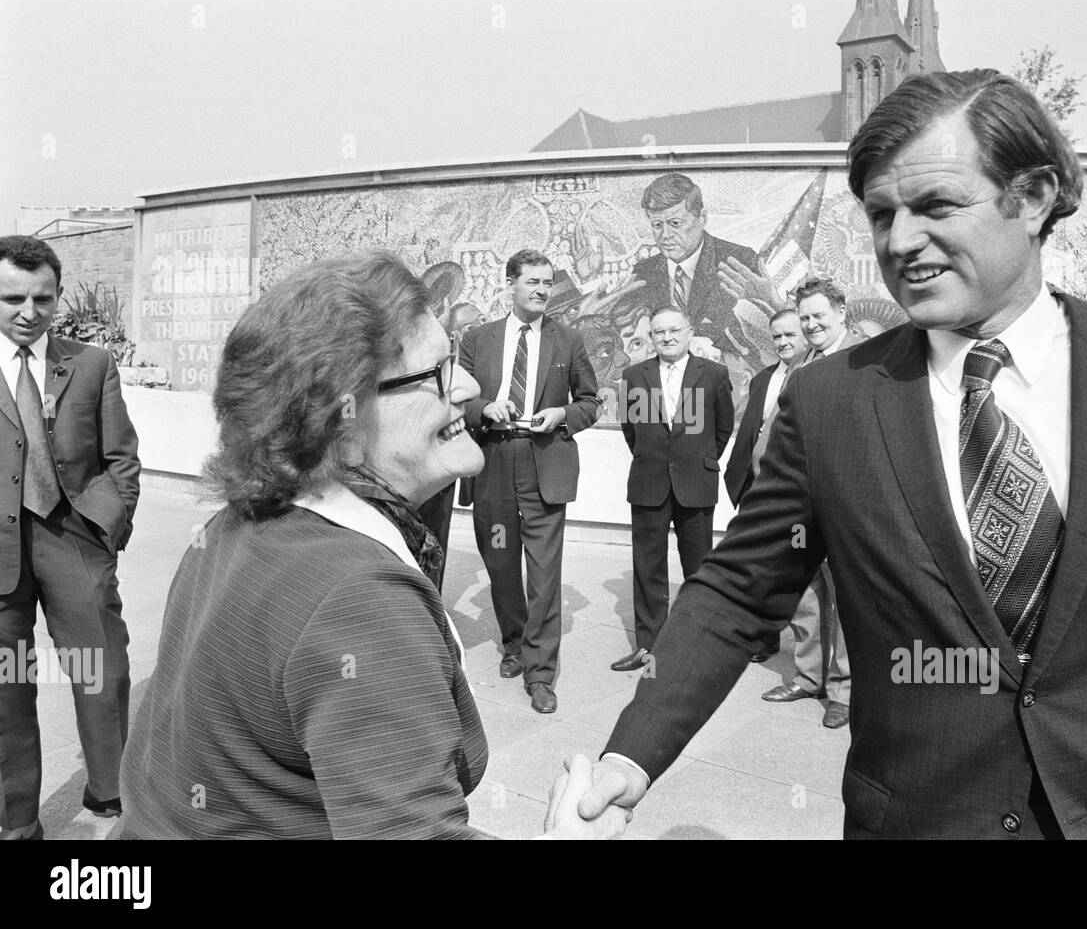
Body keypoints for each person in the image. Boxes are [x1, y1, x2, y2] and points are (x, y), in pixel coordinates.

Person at [576, 69, 1087, 838]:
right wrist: (632, 755)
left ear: (1033, 197)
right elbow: (735, 593)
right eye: (882, 213)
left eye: (936, 206)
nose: (900, 240)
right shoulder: (830, 402)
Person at [114, 251, 623, 839]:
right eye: (439, 370)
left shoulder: (235, 527)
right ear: (345, 416)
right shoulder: (361, 598)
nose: (469, 387)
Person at [0, 235, 140, 841]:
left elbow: (122, 458)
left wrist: (106, 528)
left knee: (100, 670)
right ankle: (16, 823)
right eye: (11, 298)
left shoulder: (91, 365)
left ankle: (113, 796)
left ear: (57, 298)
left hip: (72, 536)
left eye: (43, 299)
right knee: (7, 685)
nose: (29, 312)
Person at [459, 249, 600, 714]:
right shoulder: (477, 339)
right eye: (532, 282)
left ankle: (541, 674)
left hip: (545, 461)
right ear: (510, 285)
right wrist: (483, 409)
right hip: (495, 459)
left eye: (547, 283)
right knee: (500, 563)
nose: (542, 290)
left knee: (543, 572)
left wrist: (562, 414)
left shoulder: (568, 340)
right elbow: (457, 399)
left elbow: (591, 401)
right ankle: (514, 642)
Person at [754, 278, 858, 729]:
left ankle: (844, 690)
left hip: (850, 500)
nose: (812, 324)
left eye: (820, 315)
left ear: (841, 314)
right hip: (800, 501)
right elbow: (775, 431)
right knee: (806, 591)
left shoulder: (866, 360)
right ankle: (808, 675)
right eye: (806, 317)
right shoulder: (801, 367)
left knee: (850, 597)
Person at [613, 307, 734, 671]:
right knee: (647, 566)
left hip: (695, 482)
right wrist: (656, 459)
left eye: (674, 330)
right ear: (651, 336)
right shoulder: (634, 375)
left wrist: (698, 459)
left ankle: (696, 646)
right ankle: (649, 646)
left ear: (689, 331)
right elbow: (630, 428)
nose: (667, 337)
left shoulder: (713, 374)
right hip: (649, 483)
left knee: (699, 567)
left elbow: (723, 429)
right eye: (659, 332)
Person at [723, 308, 804, 664]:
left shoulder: (815, 375)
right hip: (756, 488)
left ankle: (810, 659)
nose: (783, 342)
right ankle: (765, 637)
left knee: (799, 573)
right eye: (777, 336)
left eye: (790, 335)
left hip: (793, 490)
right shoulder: (763, 378)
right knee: (760, 568)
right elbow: (748, 430)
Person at [621, 174, 767, 353]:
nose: (665, 235)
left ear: (702, 218)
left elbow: (761, 338)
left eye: (675, 223)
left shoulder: (740, 262)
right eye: (657, 225)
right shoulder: (644, 272)